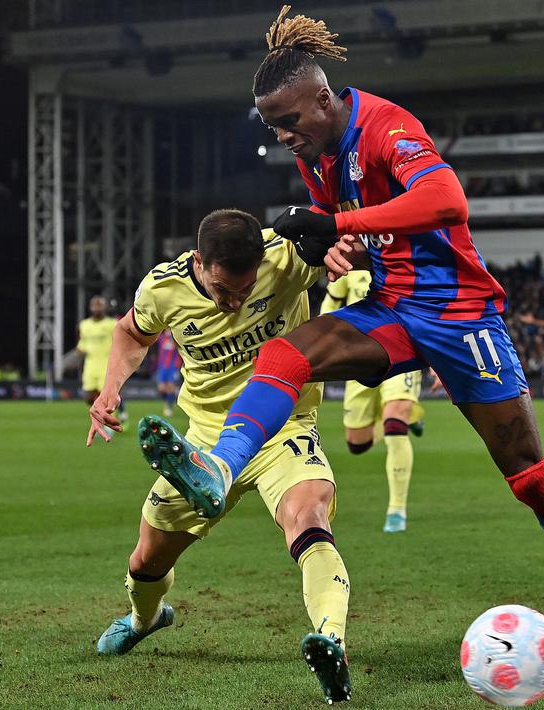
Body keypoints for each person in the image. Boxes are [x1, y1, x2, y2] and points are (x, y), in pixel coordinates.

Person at [134, 6, 544, 699]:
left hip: (462, 315)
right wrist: (338, 244)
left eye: (291, 121)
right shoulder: (317, 155)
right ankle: (219, 468)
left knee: (529, 478)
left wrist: (340, 223)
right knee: (287, 354)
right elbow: (359, 237)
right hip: (392, 308)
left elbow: (445, 200)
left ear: (324, 97)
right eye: (273, 127)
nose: (284, 136)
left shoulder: (384, 125)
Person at [86, 209, 353, 703]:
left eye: (245, 292)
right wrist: (110, 391)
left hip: (283, 429)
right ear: (199, 262)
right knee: (146, 560)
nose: (233, 305)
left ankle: (331, 641)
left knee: (309, 516)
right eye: (222, 292)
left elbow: (350, 235)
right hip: (205, 442)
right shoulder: (163, 288)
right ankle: (146, 619)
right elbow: (130, 333)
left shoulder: (286, 256)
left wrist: (346, 250)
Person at [320, 271, 425, 533]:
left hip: (402, 353)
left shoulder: (400, 260)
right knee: (357, 442)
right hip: (359, 357)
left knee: (394, 426)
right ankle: (409, 415)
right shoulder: (349, 262)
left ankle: (396, 510)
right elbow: (331, 303)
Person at [78, 295, 125, 422]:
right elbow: (81, 346)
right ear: (91, 308)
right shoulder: (84, 325)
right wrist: (79, 365)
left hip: (107, 365)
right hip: (90, 366)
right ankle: (119, 413)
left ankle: (109, 423)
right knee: (88, 397)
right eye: (95, 306)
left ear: (104, 308)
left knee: (106, 397)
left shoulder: (112, 324)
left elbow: (121, 342)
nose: (97, 309)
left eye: (100, 306)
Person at [155, 331, 183, 417]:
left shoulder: (175, 337)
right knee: (161, 388)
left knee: (170, 387)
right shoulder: (162, 337)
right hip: (162, 366)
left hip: (173, 367)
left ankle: (169, 407)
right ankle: (173, 396)